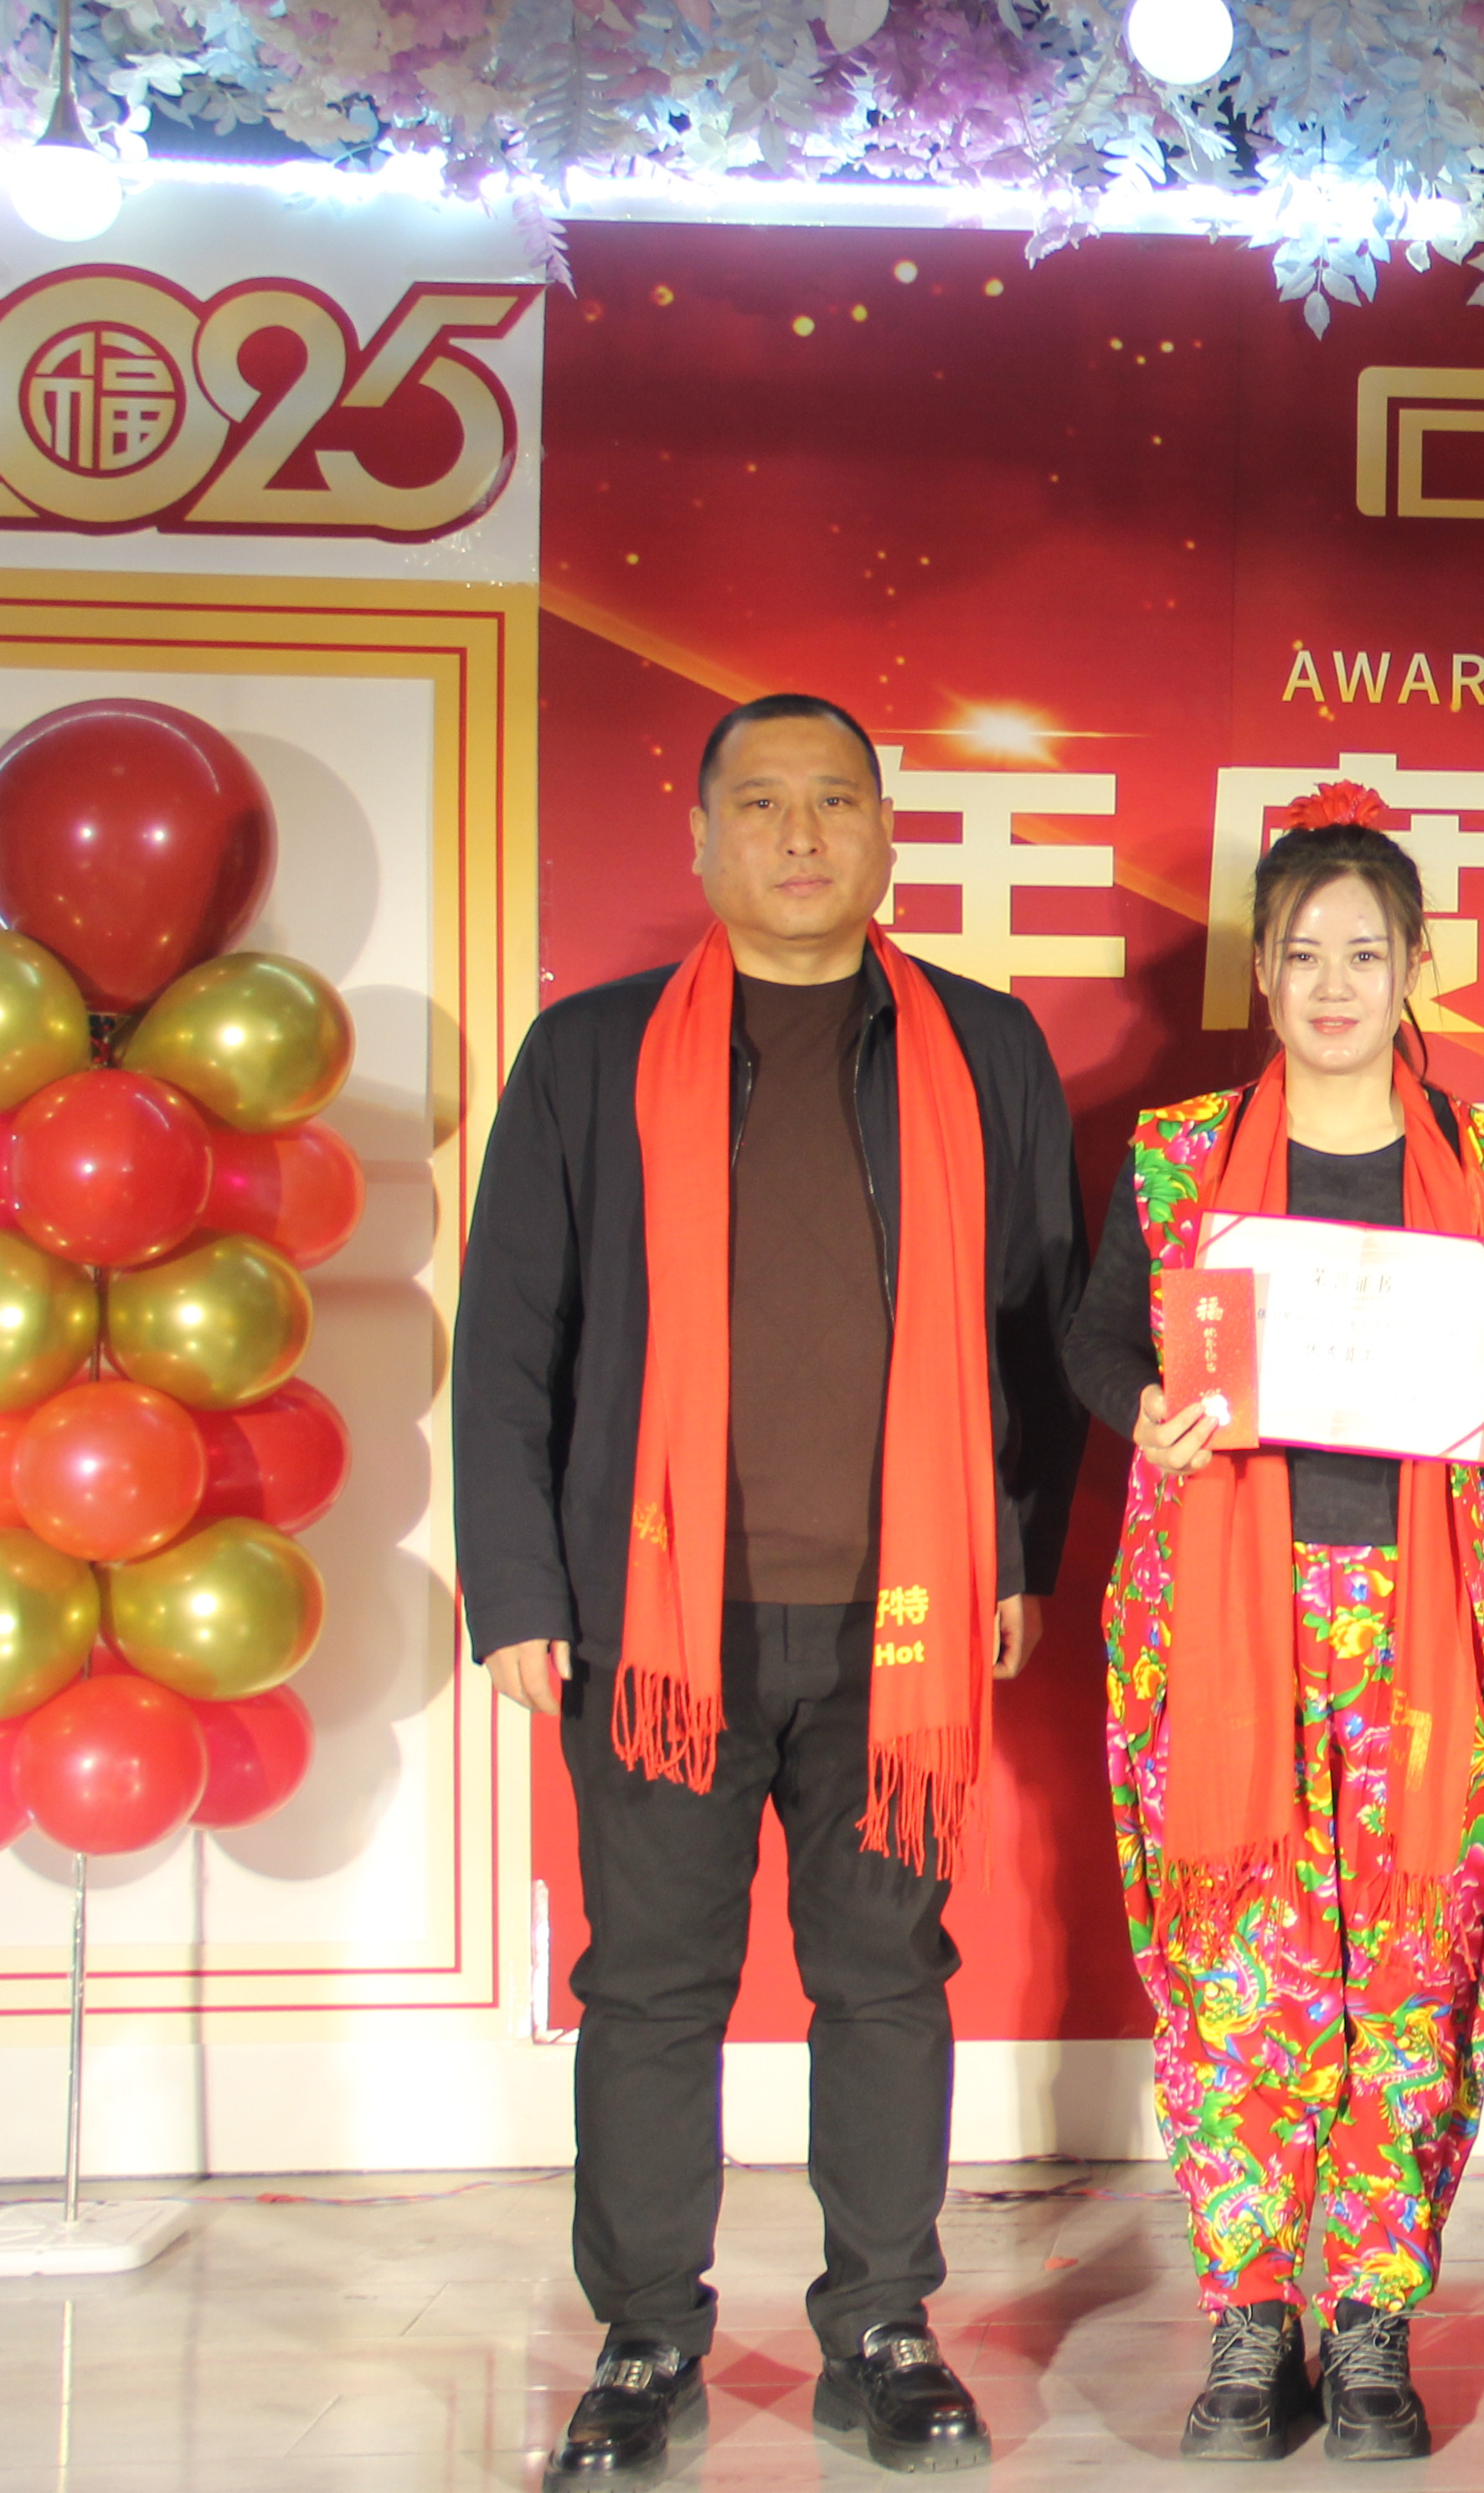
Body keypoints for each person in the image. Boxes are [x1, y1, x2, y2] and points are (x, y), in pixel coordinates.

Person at [456, 693, 1085, 2479]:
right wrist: (518, 1586)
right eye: (761, 803)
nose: (801, 836)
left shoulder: (982, 1045)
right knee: (652, 1983)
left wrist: (1015, 1547)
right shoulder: (590, 1055)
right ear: (702, 836)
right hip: (654, 1623)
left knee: (884, 1975)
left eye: (834, 802)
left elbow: (1036, 1330)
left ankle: (883, 2326)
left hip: (902, 1615)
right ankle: (647, 2338)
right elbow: (510, 1339)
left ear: (885, 833)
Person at [1059, 787, 1484, 2462]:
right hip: (1224, 1608)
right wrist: (1144, 1408)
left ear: (1419, 964)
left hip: (1427, 1617)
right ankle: (1250, 2315)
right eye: (1303, 954)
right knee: (1238, 1977)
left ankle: (1373, 2324)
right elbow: (1091, 1339)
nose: (1335, 983)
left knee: (1414, 1975)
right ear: (1262, 973)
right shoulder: (1174, 1157)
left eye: (1366, 951)